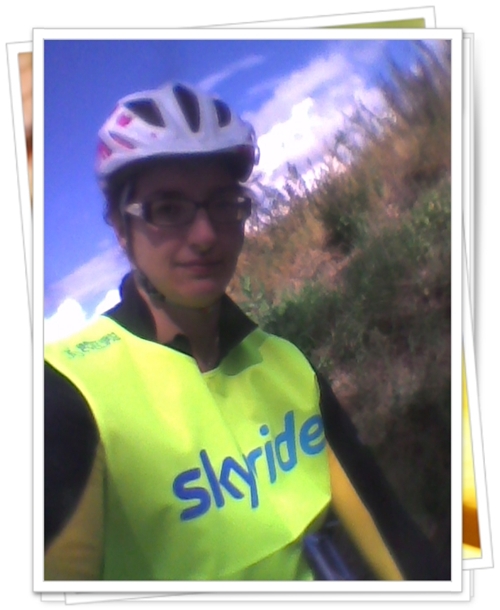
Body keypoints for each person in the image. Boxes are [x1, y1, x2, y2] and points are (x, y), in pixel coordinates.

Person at [44, 82, 449, 581]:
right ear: (120, 228)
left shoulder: (287, 365)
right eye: (167, 208)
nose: (206, 235)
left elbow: (393, 534)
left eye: (223, 202)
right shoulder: (68, 390)